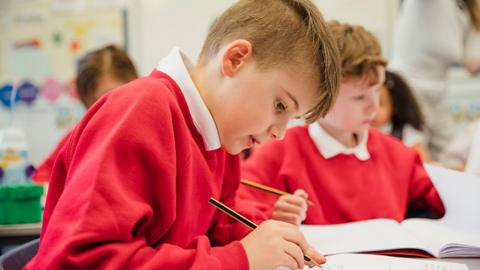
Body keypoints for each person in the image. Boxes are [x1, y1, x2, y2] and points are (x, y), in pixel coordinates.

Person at [25, 1, 341, 269]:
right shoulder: (139, 112)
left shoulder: (219, 138)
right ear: (235, 60)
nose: (280, 133)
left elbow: (216, 227)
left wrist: (261, 237)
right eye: (280, 105)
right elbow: (82, 260)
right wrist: (239, 258)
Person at [239, 21, 445, 226]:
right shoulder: (279, 152)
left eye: (377, 91)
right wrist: (273, 214)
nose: (373, 107)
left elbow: (442, 200)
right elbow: (238, 204)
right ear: (320, 97)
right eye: (359, 97)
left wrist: (451, 183)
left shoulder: (399, 155)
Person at [31, 44, 138, 183]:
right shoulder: (80, 135)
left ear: (136, 84)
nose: (111, 109)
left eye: (116, 96)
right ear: (86, 105)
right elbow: (42, 175)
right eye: (97, 104)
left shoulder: (152, 130)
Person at [391, 0, 480, 161]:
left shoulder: (466, 9)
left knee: (455, 159)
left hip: (438, 97)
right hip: (408, 90)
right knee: (417, 161)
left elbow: (471, 64)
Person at [371, 70, 431, 162]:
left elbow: (424, 164)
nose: (372, 111)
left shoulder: (407, 134)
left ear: (394, 107)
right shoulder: (357, 131)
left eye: (380, 104)